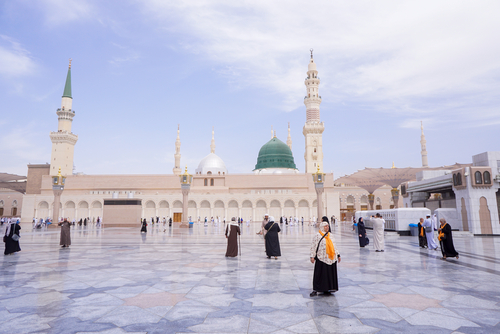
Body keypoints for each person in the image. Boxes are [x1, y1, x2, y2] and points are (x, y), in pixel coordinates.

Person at [310, 221, 341, 296]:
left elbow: (334, 246)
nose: (327, 227)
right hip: (321, 257)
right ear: (322, 227)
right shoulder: (317, 236)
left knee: (328, 274)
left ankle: (328, 288)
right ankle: (316, 289)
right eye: (325, 226)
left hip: (331, 258)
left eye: (328, 226)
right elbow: (313, 246)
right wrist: (312, 256)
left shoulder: (331, 235)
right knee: (320, 274)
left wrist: (338, 255)